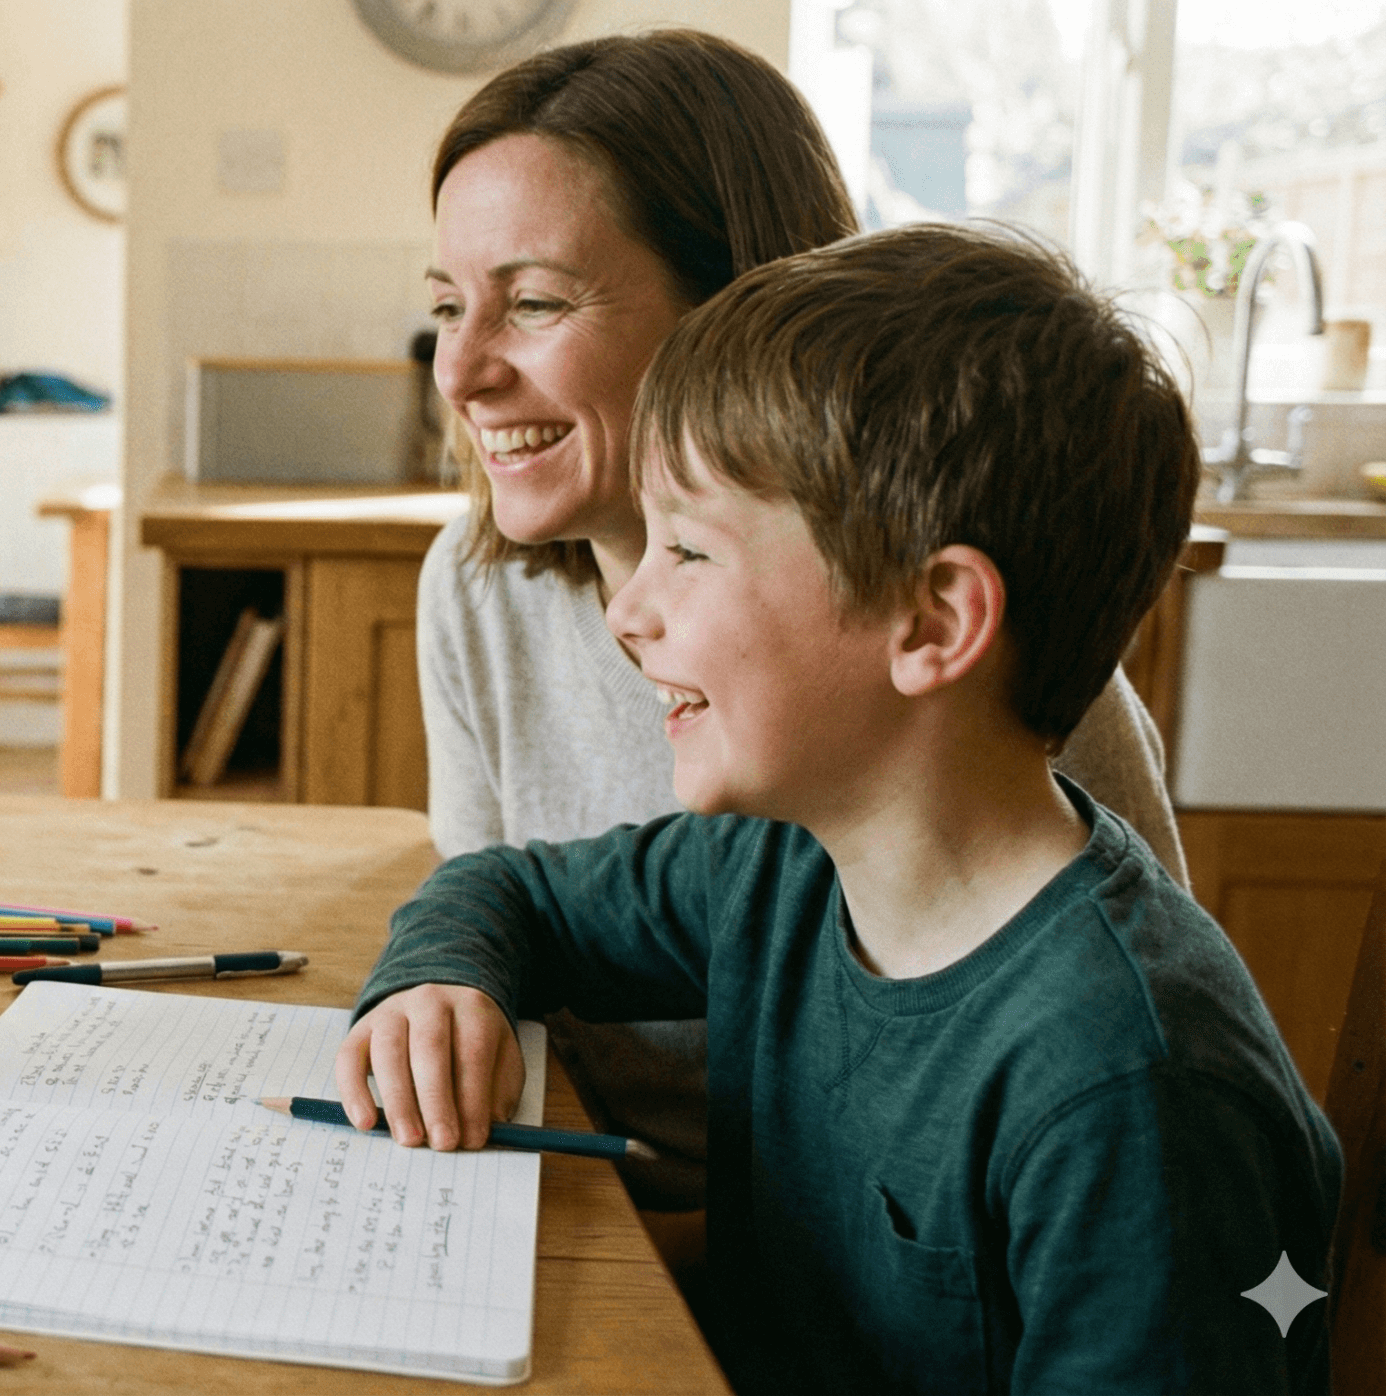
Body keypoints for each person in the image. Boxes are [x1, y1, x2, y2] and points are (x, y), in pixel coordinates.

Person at [340, 224, 1339, 1393]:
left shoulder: (1129, 1096)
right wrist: (437, 979)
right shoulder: (779, 864)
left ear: (932, 623)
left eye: (690, 553)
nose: (627, 612)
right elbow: (508, 887)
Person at [407, 29, 1186, 1217]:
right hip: (633, 1233)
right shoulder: (473, 592)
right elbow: (502, 905)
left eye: (535, 303)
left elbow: (1118, 1072)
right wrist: (436, 977)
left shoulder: (968, 703)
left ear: (742, 309)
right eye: (447, 305)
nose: (459, 372)